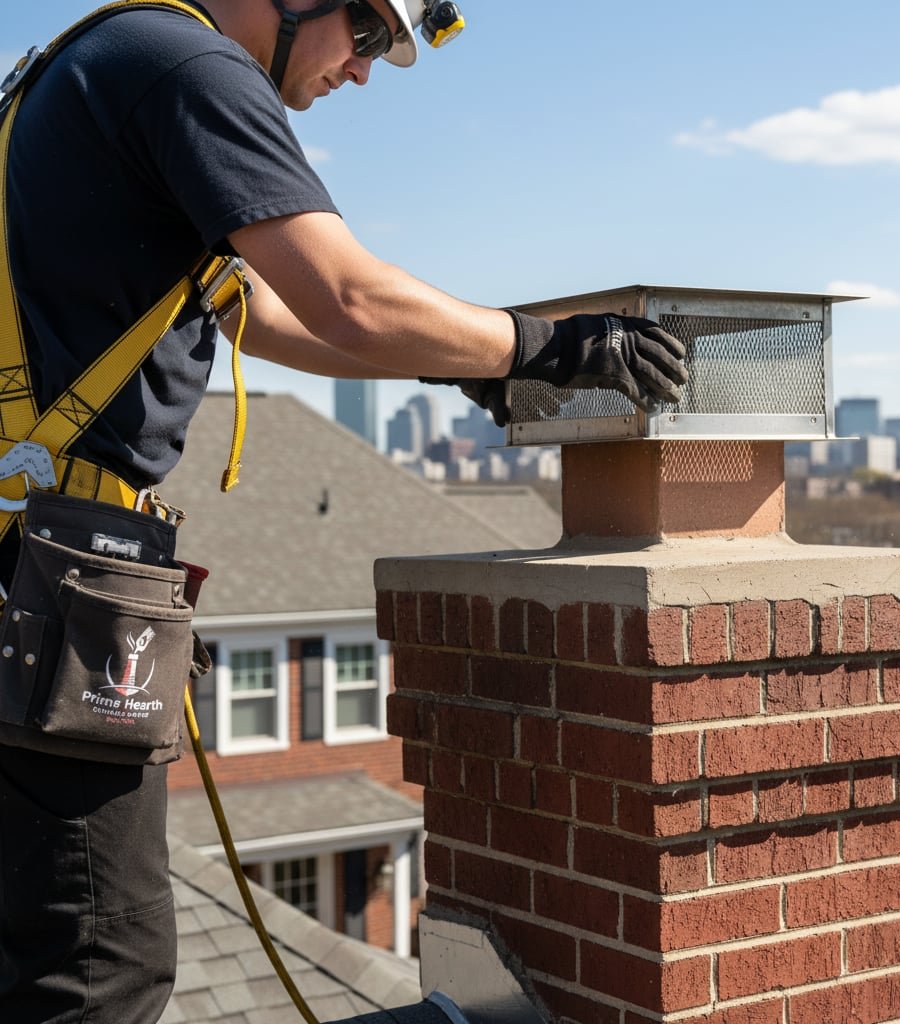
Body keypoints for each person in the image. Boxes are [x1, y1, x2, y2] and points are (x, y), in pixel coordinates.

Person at [0, 1, 688, 1022]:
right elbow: (344, 296)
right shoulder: (188, 64)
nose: (363, 73)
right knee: (96, 966)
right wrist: (540, 345)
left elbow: (265, 312)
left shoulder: (96, 59)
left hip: (28, 554)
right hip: (51, 573)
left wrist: (459, 363)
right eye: (364, 34)